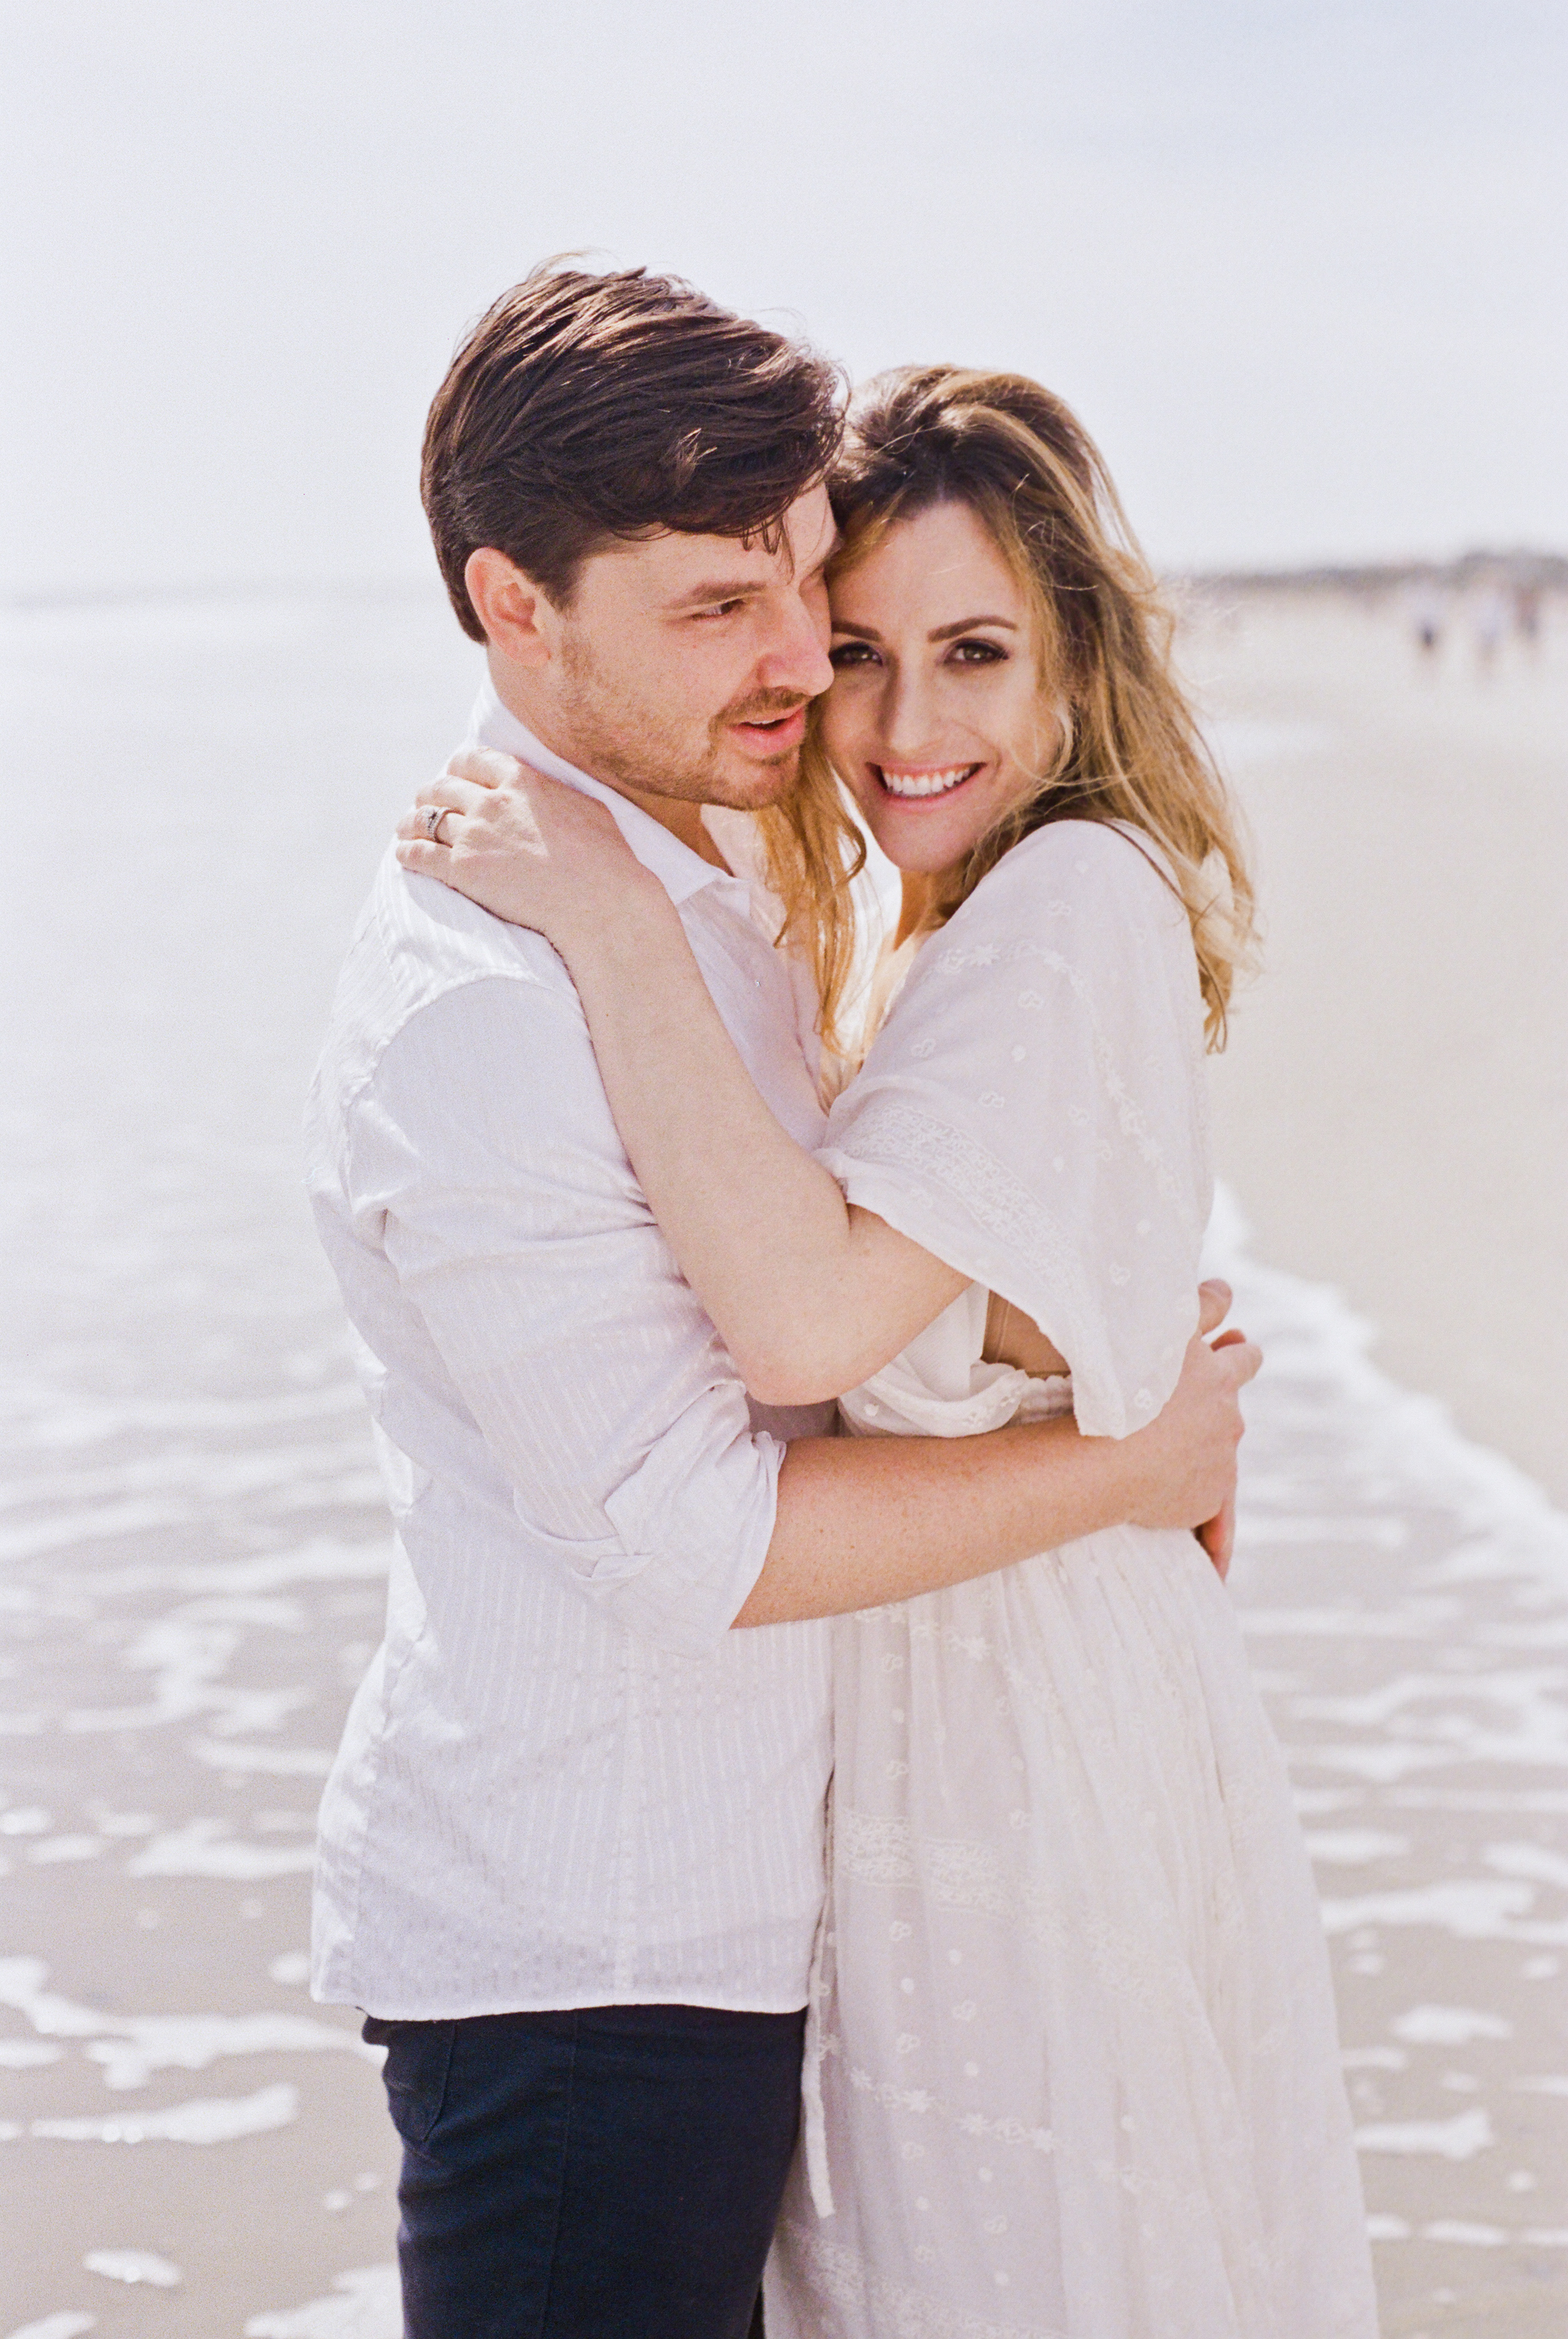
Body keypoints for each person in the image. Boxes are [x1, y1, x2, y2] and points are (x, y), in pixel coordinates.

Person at [306, 267, 1256, 2339]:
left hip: (779, 1900)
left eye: (795, 583)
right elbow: (690, 1526)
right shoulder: (489, 1001)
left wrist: (1111, 1392)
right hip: (592, 1946)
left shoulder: (717, 903)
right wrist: (1126, 1459)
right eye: (713, 605)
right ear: (512, 606)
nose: (803, 659)